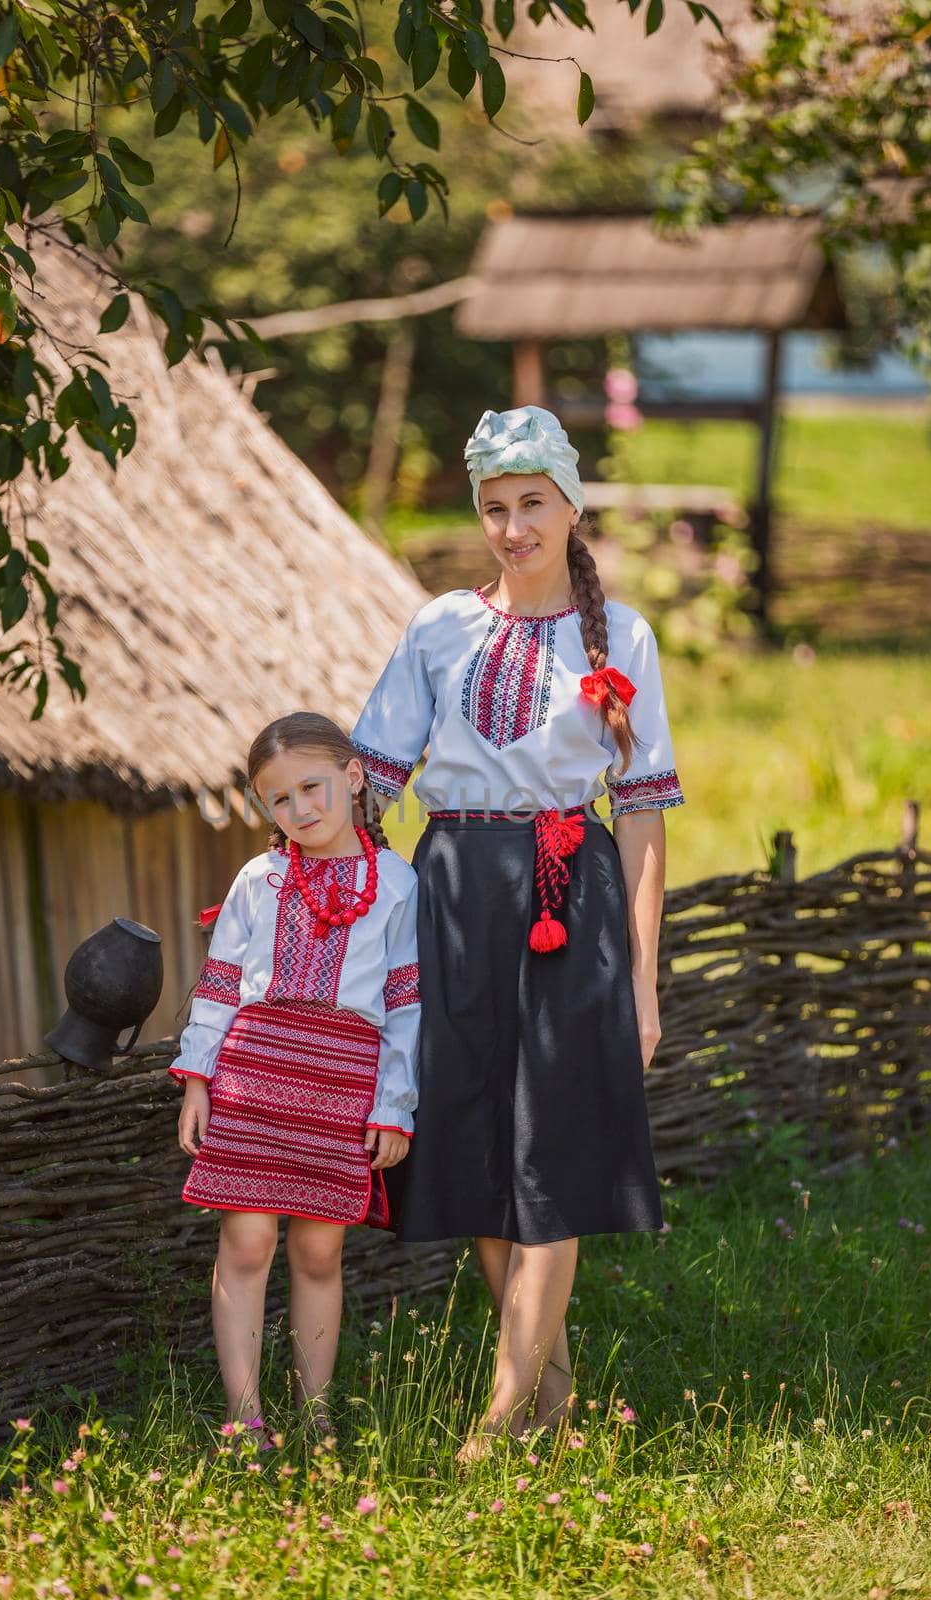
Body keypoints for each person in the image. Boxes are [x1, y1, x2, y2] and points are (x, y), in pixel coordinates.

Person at [348, 404, 685, 1464]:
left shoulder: (620, 636)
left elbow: (638, 818)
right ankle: (550, 1391)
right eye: (494, 506)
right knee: (480, 1142)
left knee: (554, 1144)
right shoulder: (438, 627)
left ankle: (497, 1418)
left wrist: (640, 981)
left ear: (570, 505)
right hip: (448, 889)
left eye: (531, 502)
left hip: (566, 890)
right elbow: (371, 787)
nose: (511, 526)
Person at [169, 712, 420, 1448]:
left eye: (312, 787)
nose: (300, 809)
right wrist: (197, 1081)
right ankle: (244, 1420)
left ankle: (315, 1420)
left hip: (343, 1085)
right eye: (279, 799)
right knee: (245, 1247)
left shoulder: (398, 884)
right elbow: (217, 985)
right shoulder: (260, 878)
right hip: (253, 1080)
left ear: (352, 777)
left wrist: (393, 1105)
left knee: (318, 1254)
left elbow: (407, 1006)